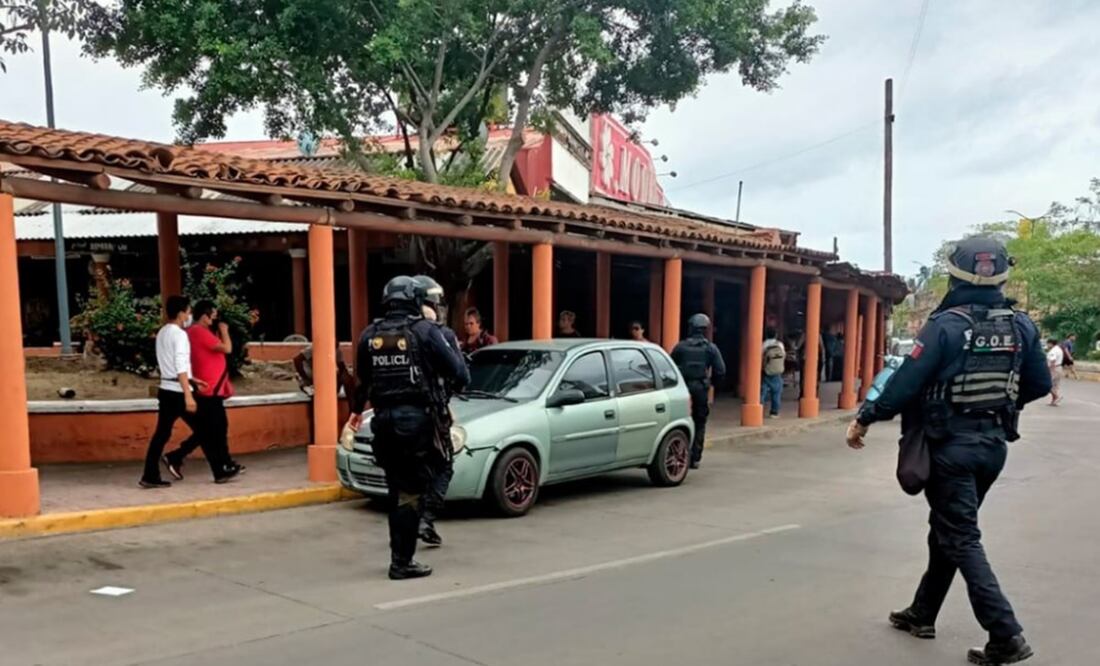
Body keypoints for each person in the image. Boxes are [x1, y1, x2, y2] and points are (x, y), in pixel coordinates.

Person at [846, 236, 1050, 666]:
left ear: (955, 275)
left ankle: (1005, 635)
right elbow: (1039, 385)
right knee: (950, 530)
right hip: (993, 446)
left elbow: (904, 384)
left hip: (950, 448)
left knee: (960, 536)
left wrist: (866, 417)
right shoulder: (1021, 325)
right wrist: (996, 405)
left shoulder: (946, 326)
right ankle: (922, 612)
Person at [349, 275, 468, 580]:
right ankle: (402, 561)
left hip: (383, 421)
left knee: (398, 489)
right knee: (414, 489)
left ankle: (402, 554)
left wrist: (354, 413)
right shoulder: (425, 332)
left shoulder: (369, 335)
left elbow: (361, 382)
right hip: (417, 422)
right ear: (416, 301)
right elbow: (460, 373)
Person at [162, 300, 241, 484]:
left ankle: (224, 464)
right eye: (212, 315)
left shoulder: (195, 332)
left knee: (215, 428)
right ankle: (181, 457)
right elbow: (227, 348)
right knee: (210, 430)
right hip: (208, 389)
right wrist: (224, 330)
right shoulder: (198, 331)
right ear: (204, 315)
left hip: (209, 387)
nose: (214, 318)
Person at [413, 275, 467, 547]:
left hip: (391, 416)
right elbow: (461, 374)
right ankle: (426, 519)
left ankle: (407, 526)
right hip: (431, 414)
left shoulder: (384, 332)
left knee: (408, 474)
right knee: (443, 466)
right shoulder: (437, 333)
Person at [139, 296, 202, 488]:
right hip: (178, 391)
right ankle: (175, 456)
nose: (190, 315)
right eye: (189, 311)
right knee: (207, 428)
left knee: (161, 434)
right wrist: (189, 394)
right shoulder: (180, 335)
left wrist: (192, 379)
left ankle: (150, 474)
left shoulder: (163, 332)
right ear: (182, 313)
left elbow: (170, 364)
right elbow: (180, 365)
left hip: (166, 389)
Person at [670, 313, 726, 469]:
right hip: (701, 387)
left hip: (683, 388)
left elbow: (671, 366)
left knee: (678, 421)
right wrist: (711, 385)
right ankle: (695, 457)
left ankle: (679, 453)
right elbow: (721, 370)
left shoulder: (680, 347)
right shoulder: (710, 348)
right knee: (700, 421)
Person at [761, 327, 786, 419]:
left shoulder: (764, 345)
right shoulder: (780, 345)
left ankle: (759, 409)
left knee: (762, 392)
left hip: (766, 371)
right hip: (777, 371)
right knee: (776, 393)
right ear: (776, 335)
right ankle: (774, 412)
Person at [1046, 337, 1064, 406]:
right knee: (1055, 385)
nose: (1047, 345)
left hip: (1054, 368)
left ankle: (1056, 396)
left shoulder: (1053, 351)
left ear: (1051, 344)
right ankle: (1054, 400)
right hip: (1059, 367)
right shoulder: (1058, 349)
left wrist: (1050, 369)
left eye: (1048, 344)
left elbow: (1053, 360)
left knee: (1047, 384)